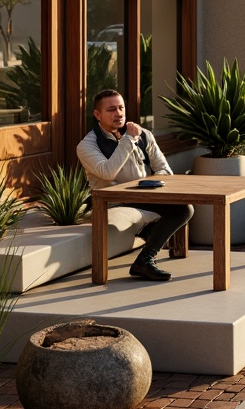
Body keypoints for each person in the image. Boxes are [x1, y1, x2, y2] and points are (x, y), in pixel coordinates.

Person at [77, 89, 193, 283]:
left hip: (144, 196)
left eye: (121, 108)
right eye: (111, 109)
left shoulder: (144, 135)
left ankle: (143, 260)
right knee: (180, 211)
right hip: (113, 201)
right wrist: (128, 140)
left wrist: (151, 183)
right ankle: (146, 257)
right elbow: (107, 172)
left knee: (184, 209)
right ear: (97, 115)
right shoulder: (88, 145)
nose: (119, 113)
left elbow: (165, 170)